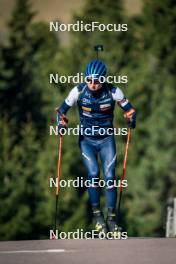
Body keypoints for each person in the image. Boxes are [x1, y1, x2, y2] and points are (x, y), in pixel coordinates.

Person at [56, 59, 136, 236]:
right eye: (89, 80)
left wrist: (131, 118)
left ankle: (112, 220)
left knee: (109, 176)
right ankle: (97, 217)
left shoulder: (114, 91)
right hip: (87, 141)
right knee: (93, 174)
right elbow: (61, 111)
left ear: (103, 79)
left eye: (97, 81)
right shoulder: (78, 91)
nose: (92, 84)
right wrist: (60, 123)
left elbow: (130, 110)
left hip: (107, 140)